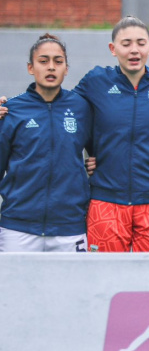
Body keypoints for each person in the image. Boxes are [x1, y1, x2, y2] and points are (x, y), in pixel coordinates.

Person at [73, 16, 149, 252]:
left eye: (141, 43)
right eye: (126, 44)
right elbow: (61, 109)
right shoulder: (96, 81)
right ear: (113, 49)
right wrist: (10, 105)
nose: (134, 50)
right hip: (106, 200)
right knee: (104, 279)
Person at [0, 34, 92, 253]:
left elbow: (101, 148)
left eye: (58, 62)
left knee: (73, 288)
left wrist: (96, 162)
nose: (51, 67)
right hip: (18, 228)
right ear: (31, 68)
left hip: (69, 228)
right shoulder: (11, 111)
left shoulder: (82, 108)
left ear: (66, 69)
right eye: (44, 61)